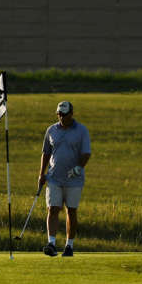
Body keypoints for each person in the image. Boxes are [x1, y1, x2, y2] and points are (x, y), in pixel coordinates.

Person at [38, 100, 91, 257]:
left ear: (71, 114)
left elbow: (86, 153)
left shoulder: (81, 130)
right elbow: (46, 153)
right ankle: (51, 244)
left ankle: (69, 246)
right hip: (54, 177)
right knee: (53, 209)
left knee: (71, 211)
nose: (61, 117)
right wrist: (41, 173)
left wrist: (78, 168)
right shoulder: (51, 130)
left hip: (74, 179)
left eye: (64, 114)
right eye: (59, 114)